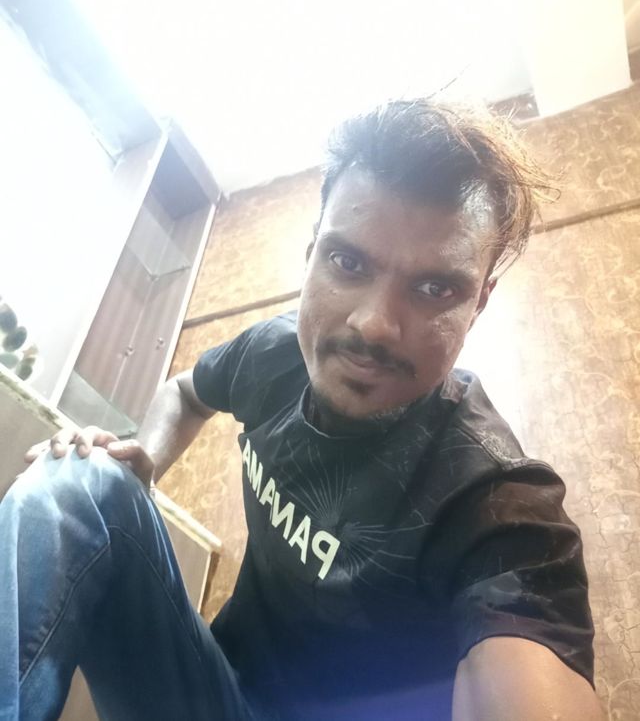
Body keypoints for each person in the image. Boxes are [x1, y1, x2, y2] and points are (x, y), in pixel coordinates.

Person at [0, 99, 603, 720]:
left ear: (477, 304)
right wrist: (144, 460)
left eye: (434, 288)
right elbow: (184, 392)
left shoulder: (498, 507)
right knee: (78, 481)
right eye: (349, 262)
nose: (374, 325)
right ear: (312, 253)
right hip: (215, 686)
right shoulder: (274, 354)